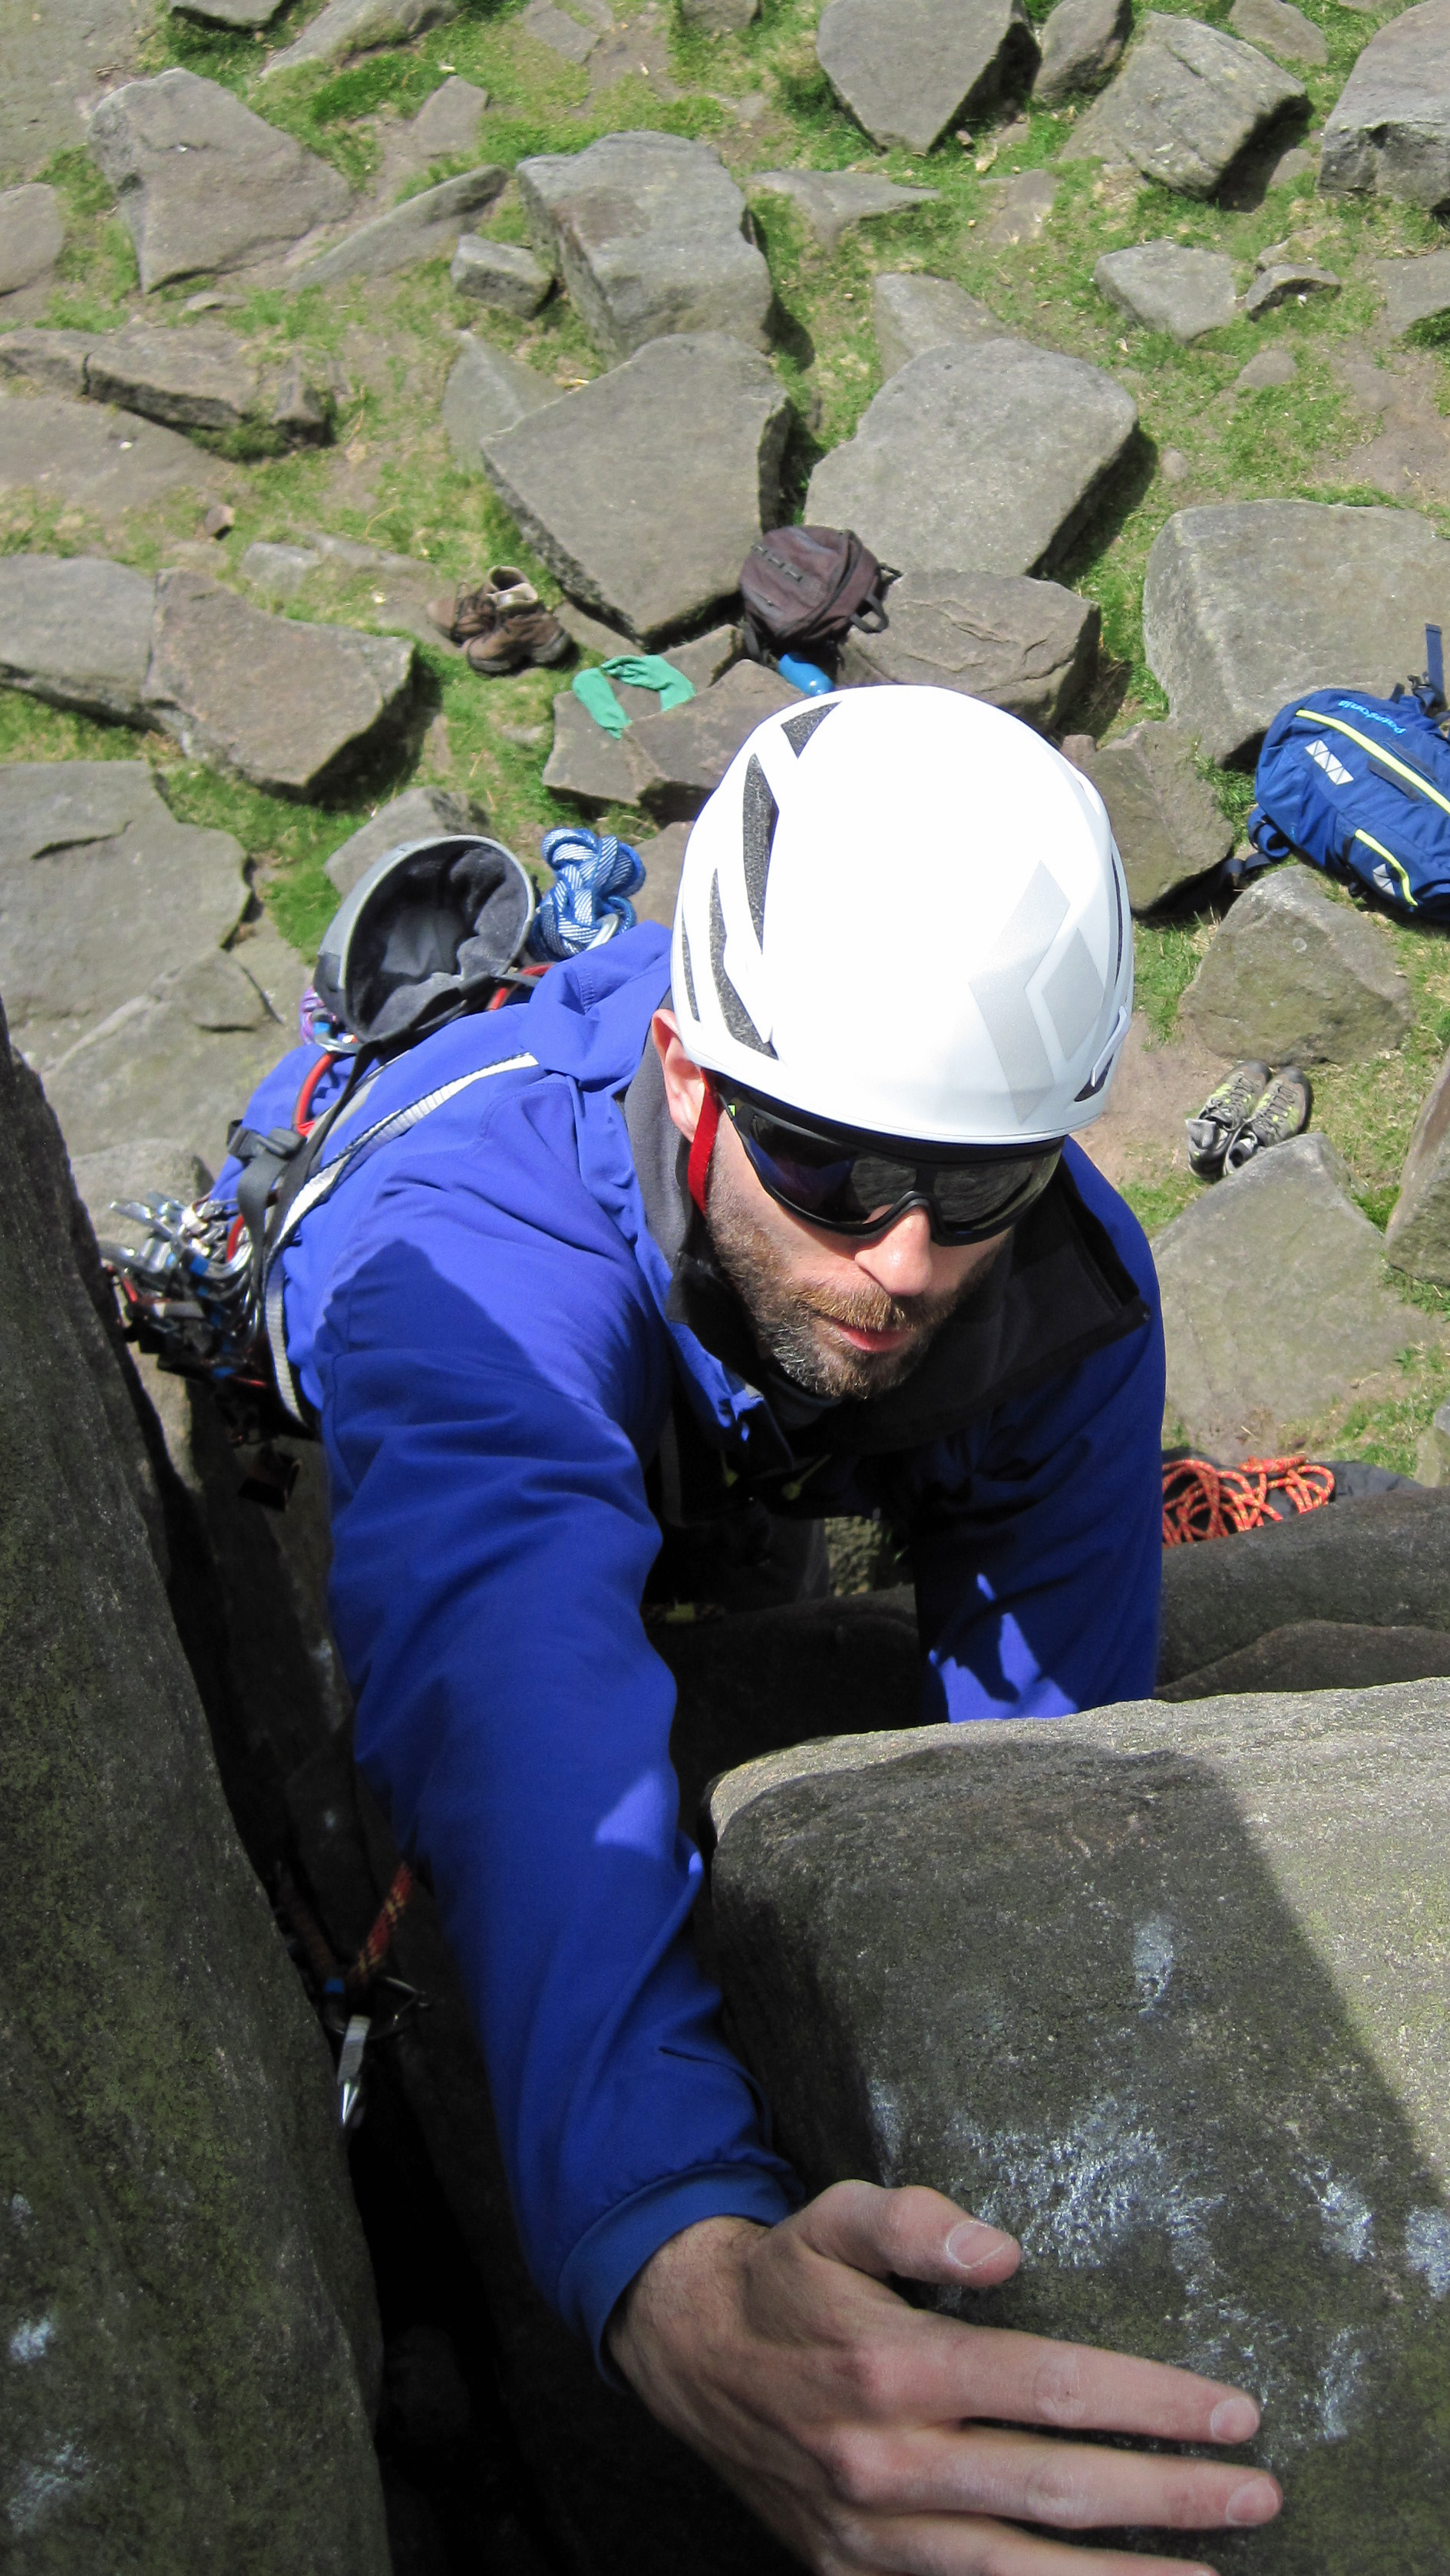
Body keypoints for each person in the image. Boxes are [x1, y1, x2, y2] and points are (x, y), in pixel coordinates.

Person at [219, 686, 1283, 2574]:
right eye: (831, 1167)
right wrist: (678, 2254)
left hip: (714, 1357)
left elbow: (1039, 1781)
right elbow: (524, 1719)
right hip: (504, 1311)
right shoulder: (464, 1264)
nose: (906, 1260)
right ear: (691, 1079)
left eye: (979, 1182)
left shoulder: (1058, 1291)